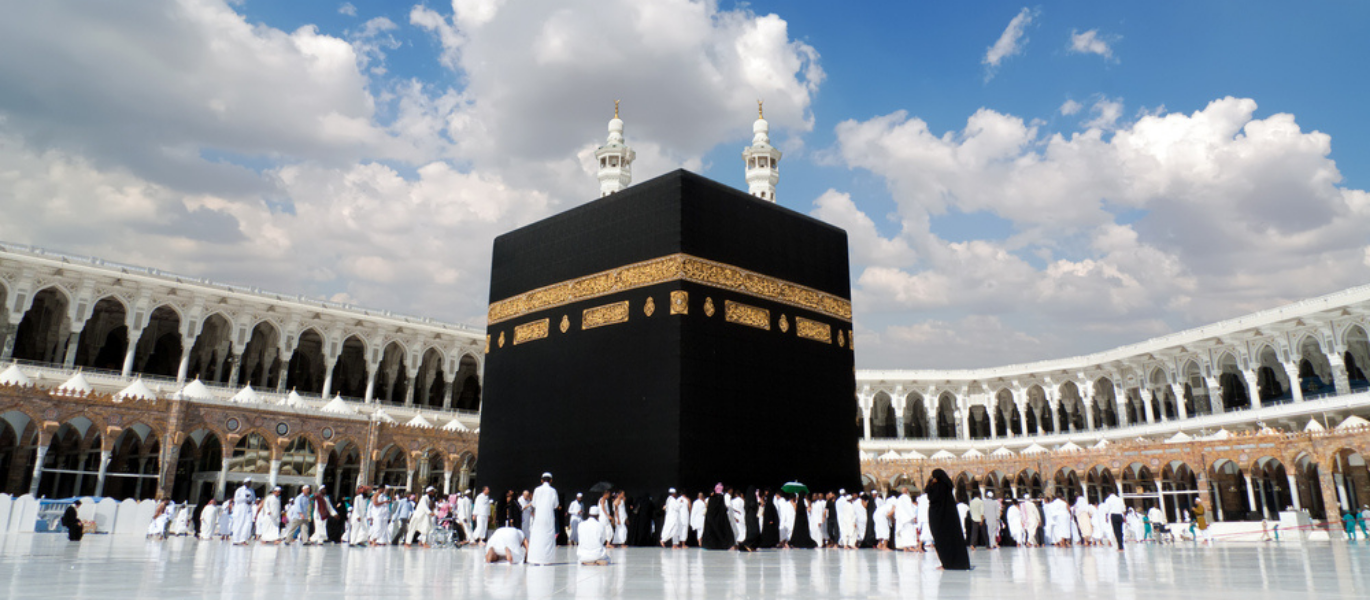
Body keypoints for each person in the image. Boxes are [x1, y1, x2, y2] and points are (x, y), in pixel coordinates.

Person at [925, 470, 971, 570]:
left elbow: (931, 496)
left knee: (942, 541)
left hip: (939, 519)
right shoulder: (947, 486)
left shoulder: (937, 487)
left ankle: (947, 563)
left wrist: (930, 484)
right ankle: (957, 563)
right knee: (953, 539)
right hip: (950, 519)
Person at [528, 472, 560, 565]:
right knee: (548, 538)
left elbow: (533, 503)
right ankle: (547, 560)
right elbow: (556, 505)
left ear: (541, 480)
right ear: (551, 480)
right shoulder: (553, 490)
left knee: (537, 537)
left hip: (538, 517)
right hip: (548, 517)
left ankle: (535, 559)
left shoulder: (537, 490)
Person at [702, 484, 734, 550]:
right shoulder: (720, 497)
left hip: (712, 519)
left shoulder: (713, 498)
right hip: (720, 519)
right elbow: (723, 508)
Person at [231, 480, 257, 545]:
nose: (249, 484)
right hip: (240, 509)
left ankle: (243, 539)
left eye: (250, 483)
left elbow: (254, 499)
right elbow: (236, 499)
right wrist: (245, 498)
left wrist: (251, 502)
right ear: (245, 483)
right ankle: (236, 540)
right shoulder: (239, 490)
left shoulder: (252, 491)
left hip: (248, 509)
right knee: (239, 524)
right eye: (248, 482)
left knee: (248, 524)